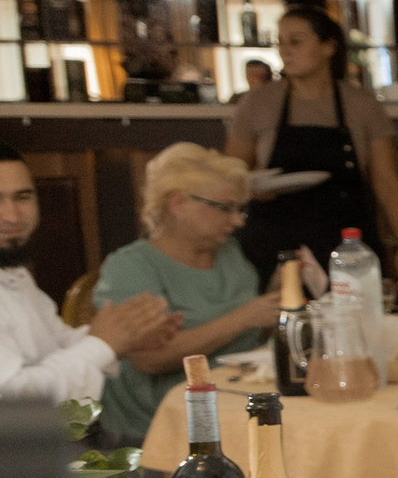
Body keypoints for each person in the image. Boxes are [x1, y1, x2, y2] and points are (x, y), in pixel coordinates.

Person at [92, 143, 320, 446]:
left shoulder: (230, 255)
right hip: (159, 432)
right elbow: (149, 359)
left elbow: (251, 342)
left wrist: (276, 295)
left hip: (235, 409)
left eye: (241, 209)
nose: (238, 221)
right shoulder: (131, 267)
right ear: (177, 203)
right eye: (225, 208)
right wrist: (241, 318)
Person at [225, 4, 398, 289]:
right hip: (276, 241)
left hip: (348, 242)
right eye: (281, 42)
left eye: (296, 41)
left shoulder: (362, 104)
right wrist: (254, 189)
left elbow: (387, 181)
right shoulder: (256, 103)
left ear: (328, 47)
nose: (285, 50)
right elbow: (232, 173)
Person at [0, 143, 179, 408]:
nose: (12, 216)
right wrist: (101, 345)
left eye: (23, 197)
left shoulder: (13, 273)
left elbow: (55, 345)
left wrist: (125, 337)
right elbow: (14, 402)